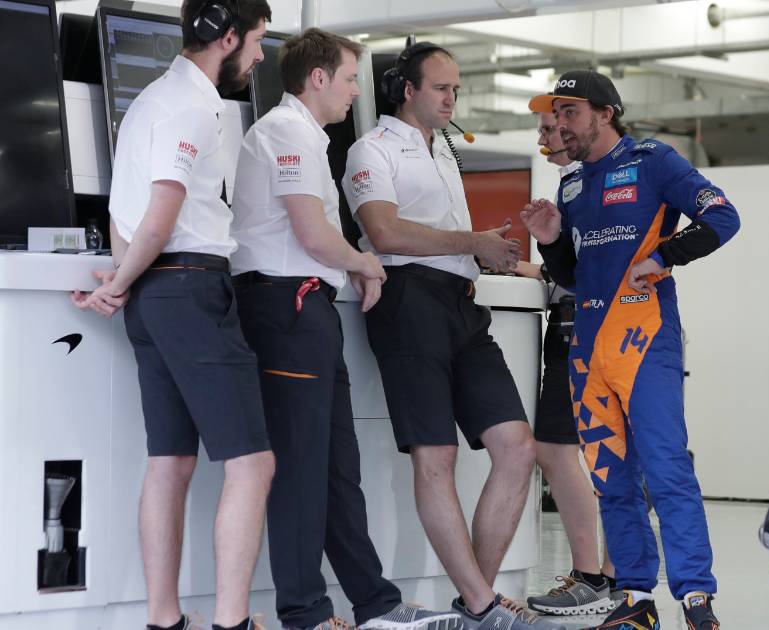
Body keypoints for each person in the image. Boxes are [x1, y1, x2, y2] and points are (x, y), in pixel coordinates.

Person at [229, 28, 463, 630]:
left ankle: (375, 603)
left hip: (310, 307)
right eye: (350, 78)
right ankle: (304, 612)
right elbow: (311, 233)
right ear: (318, 78)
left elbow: (317, 236)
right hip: (284, 307)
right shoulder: (285, 132)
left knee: (337, 468)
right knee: (301, 467)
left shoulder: (309, 137)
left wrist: (351, 265)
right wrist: (365, 261)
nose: (357, 91)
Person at [341, 41, 563, 630]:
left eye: (456, 90)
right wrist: (472, 243)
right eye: (441, 88)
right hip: (408, 303)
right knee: (436, 455)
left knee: (518, 448)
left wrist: (490, 255)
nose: (451, 99)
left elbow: (443, 235)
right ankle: (485, 607)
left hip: (463, 304)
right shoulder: (371, 149)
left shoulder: (442, 148)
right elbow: (385, 233)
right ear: (406, 89)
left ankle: (474, 604)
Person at [72, 2, 275, 629]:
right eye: (258, 41)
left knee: (171, 461)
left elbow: (122, 211)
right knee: (252, 462)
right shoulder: (191, 105)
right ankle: (231, 622)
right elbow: (163, 209)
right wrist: (120, 282)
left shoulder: (147, 102)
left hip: (156, 296)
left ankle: (164, 620)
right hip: (189, 288)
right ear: (228, 37)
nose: (260, 56)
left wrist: (124, 278)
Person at [522, 70, 741, 630]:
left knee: (666, 469)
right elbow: (574, 275)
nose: (560, 126)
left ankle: (696, 598)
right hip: (587, 350)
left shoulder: (653, 160)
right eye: (556, 114)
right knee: (611, 481)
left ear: (605, 113)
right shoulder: (572, 185)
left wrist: (665, 257)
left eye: (570, 112)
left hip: (645, 342)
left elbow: (722, 216)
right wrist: (550, 241)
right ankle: (636, 599)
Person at [517, 112, 617, 617]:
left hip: (584, 325)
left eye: (551, 126)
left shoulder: (589, 182)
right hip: (593, 321)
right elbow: (575, 265)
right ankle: (612, 576)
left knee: (558, 449)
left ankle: (592, 576)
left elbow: (588, 268)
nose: (544, 137)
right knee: (603, 452)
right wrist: (527, 266)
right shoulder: (576, 183)